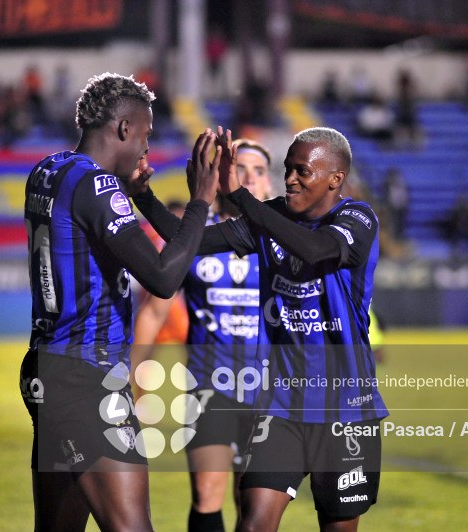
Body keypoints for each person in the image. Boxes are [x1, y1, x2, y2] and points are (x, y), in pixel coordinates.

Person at [134, 126, 388, 532]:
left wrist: (241, 197)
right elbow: (189, 241)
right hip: (282, 404)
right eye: (288, 169)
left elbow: (317, 251)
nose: (290, 178)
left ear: (334, 179)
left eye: (302, 171)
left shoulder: (357, 218)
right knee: (252, 523)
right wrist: (142, 195)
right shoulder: (271, 217)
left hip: (345, 407)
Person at [20, 72, 220, 532]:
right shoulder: (98, 187)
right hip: (87, 376)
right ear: (124, 129)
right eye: (146, 135)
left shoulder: (48, 170)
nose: (147, 149)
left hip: (46, 369)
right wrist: (201, 202)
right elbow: (164, 278)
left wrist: (133, 193)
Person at [132, 139, 273, 532]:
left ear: (269, 183)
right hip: (210, 386)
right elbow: (154, 310)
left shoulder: (283, 238)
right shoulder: (194, 236)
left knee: (254, 500)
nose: (248, 176)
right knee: (207, 491)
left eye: (258, 171)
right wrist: (130, 377)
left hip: (270, 388)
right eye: (238, 167)